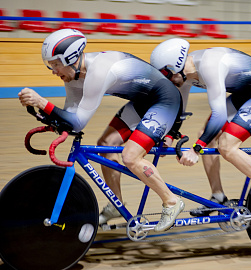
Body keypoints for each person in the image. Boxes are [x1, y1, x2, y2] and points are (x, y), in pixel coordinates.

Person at [18, 29, 185, 232]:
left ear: (71, 58)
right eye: (50, 66)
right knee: (106, 144)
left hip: (164, 100)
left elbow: (78, 122)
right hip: (142, 103)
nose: (53, 71)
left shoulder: (99, 70)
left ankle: (171, 201)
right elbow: (70, 116)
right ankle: (117, 205)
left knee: (131, 157)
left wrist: (42, 102)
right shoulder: (74, 77)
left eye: (55, 65)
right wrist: (49, 117)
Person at [150, 38, 251, 220]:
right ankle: (218, 196)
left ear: (176, 66)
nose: (169, 81)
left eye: (168, 75)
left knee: (226, 145)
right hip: (244, 94)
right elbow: (180, 108)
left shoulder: (209, 66)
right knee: (205, 136)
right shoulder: (185, 74)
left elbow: (219, 116)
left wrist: (197, 149)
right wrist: (170, 135)